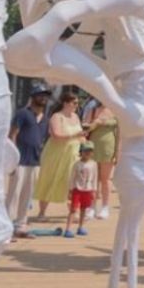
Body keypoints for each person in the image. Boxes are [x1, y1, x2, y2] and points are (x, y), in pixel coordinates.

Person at [33, 93, 85, 222]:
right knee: (49, 180)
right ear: (65, 103)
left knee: (73, 183)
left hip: (73, 154)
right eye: (74, 103)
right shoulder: (56, 117)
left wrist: (85, 144)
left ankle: (74, 212)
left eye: (77, 103)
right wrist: (75, 135)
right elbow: (56, 135)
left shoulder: (76, 117)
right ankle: (42, 212)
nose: (76, 105)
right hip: (55, 154)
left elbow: (80, 135)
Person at [6, 88, 50, 237]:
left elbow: (42, 140)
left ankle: (21, 225)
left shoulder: (45, 119)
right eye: (40, 95)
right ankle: (6, 227)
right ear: (33, 96)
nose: (43, 98)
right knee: (14, 194)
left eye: (46, 96)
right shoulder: (22, 113)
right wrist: (12, 158)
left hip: (35, 161)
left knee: (27, 195)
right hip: (20, 160)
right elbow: (13, 134)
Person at [84, 102, 119, 221]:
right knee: (93, 178)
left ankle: (105, 206)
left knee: (106, 178)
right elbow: (86, 129)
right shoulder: (93, 110)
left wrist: (117, 152)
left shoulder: (115, 110)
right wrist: (96, 122)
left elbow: (119, 133)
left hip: (109, 147)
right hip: (93, 146)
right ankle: (91, 206)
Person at [66, 142, 97, 239]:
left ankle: (81, 226)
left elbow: (95, 178)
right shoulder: (77, 164)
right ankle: (68, 229)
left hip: (88, 189)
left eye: (90, 151)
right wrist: (70, 190)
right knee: (73, 209)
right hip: (77, 189)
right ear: (81, 152)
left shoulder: (93, 164)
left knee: (84, 209)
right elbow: (72, 177)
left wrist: (94, 190)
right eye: (85, 151)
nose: (88, 153)